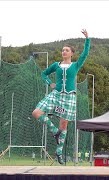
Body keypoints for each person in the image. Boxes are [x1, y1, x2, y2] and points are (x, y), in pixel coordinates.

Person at [32, 29, 90, 165]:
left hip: (69, 97)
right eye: (62, 50)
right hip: (56, 94)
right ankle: (54, 131)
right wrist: (49, 83)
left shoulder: (75, 65)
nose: (64, 52)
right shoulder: (55, 65)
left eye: (67, 50)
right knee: (36, 112)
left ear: (72, 53)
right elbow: (43, 74)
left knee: (64, 124)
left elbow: (85, 54)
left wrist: (87, 39)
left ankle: (59, 152)